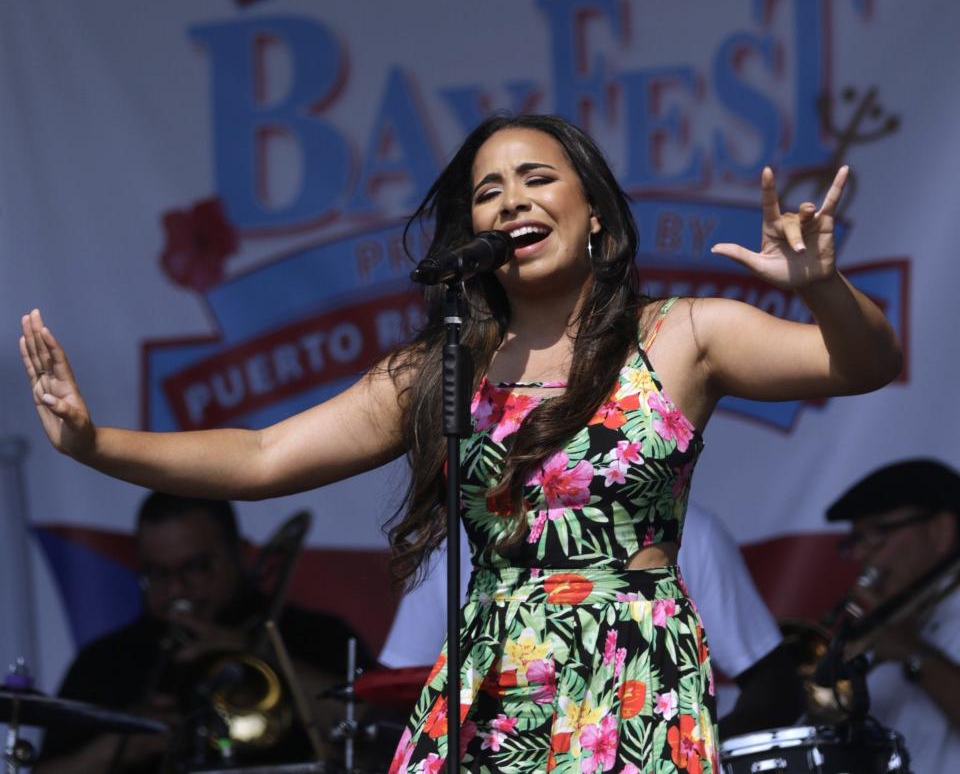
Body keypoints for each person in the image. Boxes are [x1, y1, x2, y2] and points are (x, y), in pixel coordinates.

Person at [20, 113, 901, 773]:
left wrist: (823, 288)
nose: (512, 199)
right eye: (489, 191)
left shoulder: (683, 335)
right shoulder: (443, 367)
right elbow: (261, 458)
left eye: (536, 179)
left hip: (628, 670)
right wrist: (96, 443)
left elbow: (866, 362)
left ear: (594, 212)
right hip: (493, 678)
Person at [379, 502, 804, 741]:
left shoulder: (688, 531)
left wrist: (692, 753)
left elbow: (776, 686)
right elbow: (396, 696)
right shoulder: (458, 545)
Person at [34, 491, 373, 774]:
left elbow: (384, 733)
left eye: (194, 568)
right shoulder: (105, 661)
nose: (177, 589)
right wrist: (119, 745)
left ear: (239, 553)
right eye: (158, 574)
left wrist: (258, 652)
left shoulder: (313, 634)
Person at [824, 458, 960, 771]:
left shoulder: (903, 638)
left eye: (876, 532)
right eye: (855, 540)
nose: (859, 554)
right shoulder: (890, 628)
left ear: (941, 530)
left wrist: (913, 653)